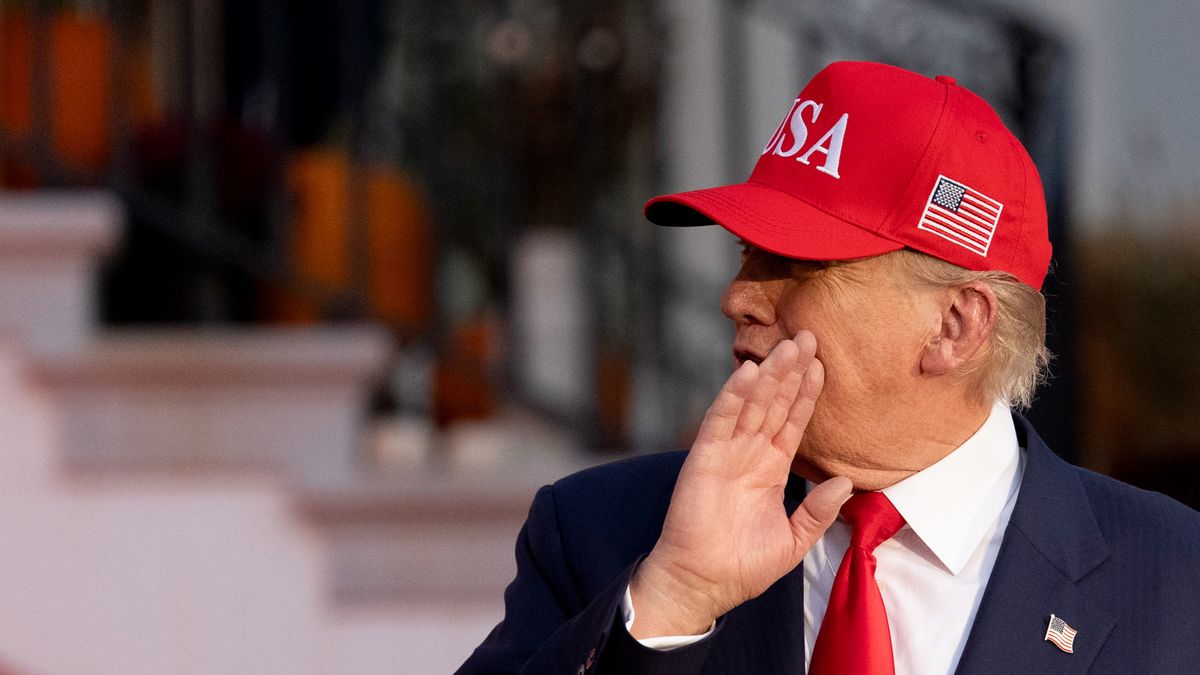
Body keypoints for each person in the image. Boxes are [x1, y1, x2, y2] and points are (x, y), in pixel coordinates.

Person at [457, 61, 1200, 675]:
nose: (737, 297)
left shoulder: (1174, 580)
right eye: (746, 254)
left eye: (794, 263)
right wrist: (670, 605)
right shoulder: (602, 532)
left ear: (955, 326)